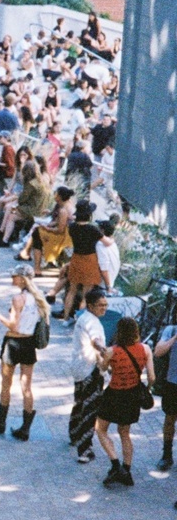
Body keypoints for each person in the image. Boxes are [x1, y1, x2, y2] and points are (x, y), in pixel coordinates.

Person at [0, 264, 50, 440]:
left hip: (13, 342)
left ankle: (1, 420)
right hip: (29, 344)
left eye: (14, 276)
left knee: (6, 383)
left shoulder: (17, 299)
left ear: (22, 279)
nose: (12, 279)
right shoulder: (38, 298)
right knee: (26, 386)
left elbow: (13, 325)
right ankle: (26, 428)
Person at [95, 318, 154, 487]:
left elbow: (102, 370)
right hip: (132, 394)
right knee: (124, 432)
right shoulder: (146, 349)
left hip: (114, 394)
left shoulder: (112, 351)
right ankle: (127, 470)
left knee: (101, 429)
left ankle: (115, 465)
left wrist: (101, 358)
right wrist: (146, 388)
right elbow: (152, 377)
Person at [69, 287, 108, 463]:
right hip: (90, 369)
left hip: (79, 367)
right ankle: (84, 450)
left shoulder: (84, 318)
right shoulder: (92, 322)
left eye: (106, 305)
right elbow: (96, 340)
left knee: (79, 403)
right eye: (100, 305)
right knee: (90, 409)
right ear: (91, 306)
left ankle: (74, 434)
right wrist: (104, 351)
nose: (104, 308)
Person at [63, 200, 112, 322]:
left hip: (76, 258)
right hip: (89, 260)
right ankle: (80, 320)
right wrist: (112, 238)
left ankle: (65, 318)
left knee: (71, 291)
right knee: (86, 295)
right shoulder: (92, 229)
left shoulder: (72, 227)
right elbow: (107, 242)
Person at [153, 325, 177, 472]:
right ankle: (166, 455)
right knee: (169, 419)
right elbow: (158, 352)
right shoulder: (171, 330)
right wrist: (174, 338)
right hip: (172, 383)